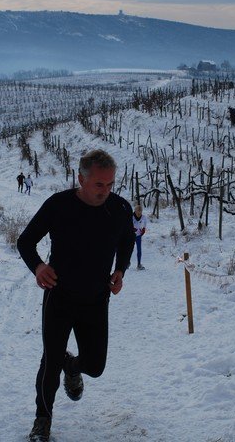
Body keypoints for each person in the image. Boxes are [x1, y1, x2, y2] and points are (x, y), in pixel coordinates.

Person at [17, 150, 135, 442]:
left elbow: (127, 239)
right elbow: (25, 241)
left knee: (95, 366)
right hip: (59, 295)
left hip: (96, 299)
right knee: (50, 362)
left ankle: (72, 366)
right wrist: (38, 266)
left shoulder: (120, 208)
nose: (105, 191)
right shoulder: (59, 205)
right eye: (99, 184)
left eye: (110, 184)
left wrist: (120, 269)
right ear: (81, 179)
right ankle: (42, 420)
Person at [132, 204, 148, 270]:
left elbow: (145, 224)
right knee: (129, 249)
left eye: (140, 212)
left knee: (139, 250)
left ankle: (139, 264)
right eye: (138, 212)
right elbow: (127, 225)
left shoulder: (143, 217)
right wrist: (132, 229)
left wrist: (143, 229)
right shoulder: (131, 217)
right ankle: (127, 263)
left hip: (138, 235)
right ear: (135, 211)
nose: (139, 214)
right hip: (131, 236)